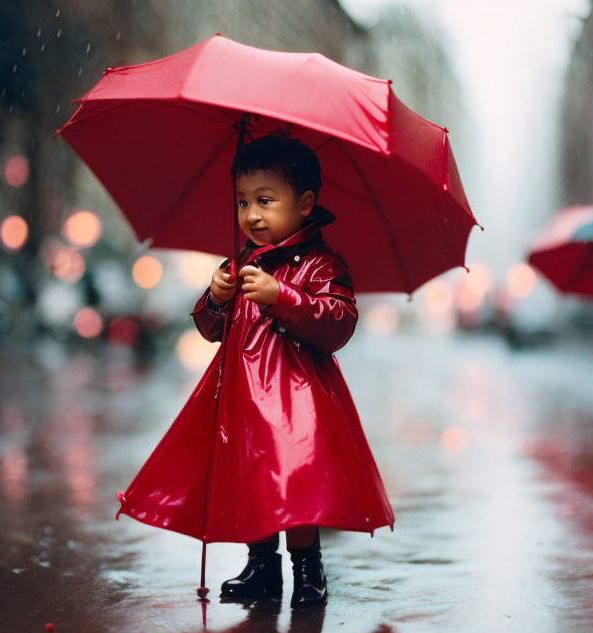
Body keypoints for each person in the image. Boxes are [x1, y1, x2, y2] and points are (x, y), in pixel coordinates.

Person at [115, 135, 394, 607]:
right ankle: (261, 566)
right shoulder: (239, 262)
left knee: (297, 481)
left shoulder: (322, 264)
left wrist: (282, 296)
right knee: (252, 479)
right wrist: (216, 299)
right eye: (243, 202)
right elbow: (209, 329)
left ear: (305, 204)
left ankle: (308, 571)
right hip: (244, 396)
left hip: (297, 399)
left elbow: (339, 323)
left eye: (265, 201)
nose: (252, 215)